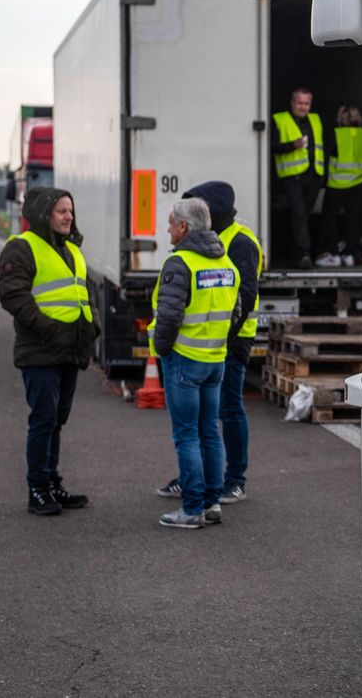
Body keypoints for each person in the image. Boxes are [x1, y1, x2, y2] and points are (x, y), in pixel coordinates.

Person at [0, 187, 100, 516]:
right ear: (44, 214)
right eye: (61, 211)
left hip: (70, 350)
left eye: (70, 210)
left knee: (56, 420)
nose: (69, 216)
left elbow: (84, 293)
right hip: (41, 351)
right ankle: (37, 489)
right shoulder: (22, 247)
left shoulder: (72, 249)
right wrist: (50, 329)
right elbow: (13, 296)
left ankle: (52, 482)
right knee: (42, 420)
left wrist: (92, 326)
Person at [157, 182, 260, 505]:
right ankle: (199, 480)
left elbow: (243, 299)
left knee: (226, 412)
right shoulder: (208, 244)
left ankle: (234, 480)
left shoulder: (240, 242)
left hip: (229, 341)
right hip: (211, 343)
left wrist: (221, 342)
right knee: (205, 422)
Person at [149, 197, 240, 529]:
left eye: (172, 222)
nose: (168, 227)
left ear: (184, 227)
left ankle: (191, 509)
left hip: (185, 361)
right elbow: (237, 312)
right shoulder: (226, 263)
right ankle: (212, 503)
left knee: (186, 436)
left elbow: (169, 317)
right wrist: (220, 345)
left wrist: (162, 350)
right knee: (209, 433)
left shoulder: (180, 263)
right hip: (215, 360)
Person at [271, 87, 332, 269]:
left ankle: (295, 253)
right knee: (298, 214)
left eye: (307, 103)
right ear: (292, 103)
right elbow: (271, 146)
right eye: (300, 103)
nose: (303, 107)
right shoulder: (280, 119)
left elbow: (324, 146)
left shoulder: (316, 119)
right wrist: (293, 145)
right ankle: (304, 254)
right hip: (292, 177)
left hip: (314, 175)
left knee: (304, 216)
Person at [321, 104, 362, 267]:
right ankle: (350, 254)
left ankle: (334, 255)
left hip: (336, 183)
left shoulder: (334, 134)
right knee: (353, 220)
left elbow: (325, 157)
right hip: (358, 183)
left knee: (329, 219)